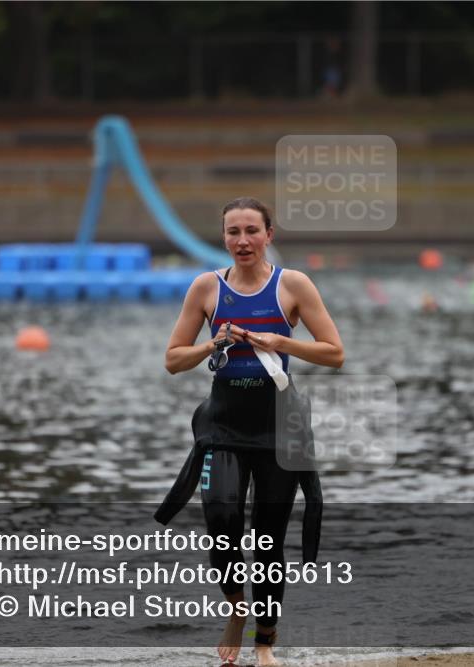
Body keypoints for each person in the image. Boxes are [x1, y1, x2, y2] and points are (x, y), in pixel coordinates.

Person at [160, 196, 344, 666]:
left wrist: (281, 341)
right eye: (233, 232)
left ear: (269, 235)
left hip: (278, 430)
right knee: (221, 524)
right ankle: (236, 608)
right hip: (223, 427)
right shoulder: (206, 288)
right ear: (223, 237)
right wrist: (211, 345)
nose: (242, 241)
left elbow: (334, 352)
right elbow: (173, 360)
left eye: (251, 231)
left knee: (267, 540)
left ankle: (264, 642)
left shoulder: (293, 285)